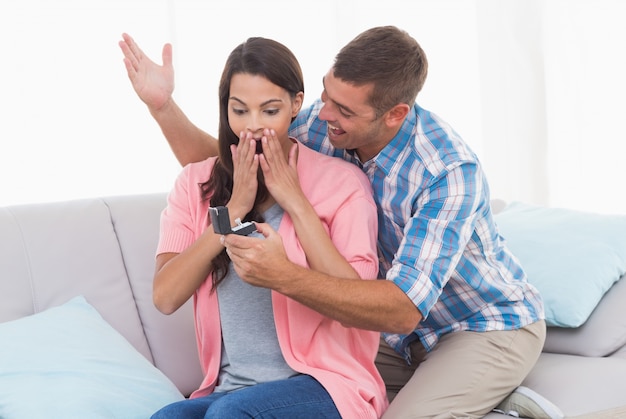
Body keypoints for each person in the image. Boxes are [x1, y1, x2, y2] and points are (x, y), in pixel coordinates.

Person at [120, 26, 548, 419]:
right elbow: (228, 162)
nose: (323, 115)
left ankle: (493, 402)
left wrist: (282, 273)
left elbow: (401, 311)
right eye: (325, 96)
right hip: (386, 333)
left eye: (341, 109)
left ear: (394, 114)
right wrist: (163, 108)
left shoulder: (448, 173)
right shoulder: (320, 125)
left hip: (474, 323)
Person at [144, 36, 387, 418]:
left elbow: (354, 304)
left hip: (325, 386)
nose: (253, 127)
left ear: (295, 105)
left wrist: (296, 202)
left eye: (269, 111)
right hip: (230, 389)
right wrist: (234, 208)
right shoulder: (194, 183)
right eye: (239, 111)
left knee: (231, 416)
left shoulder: (342, 184)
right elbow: (165, 296)